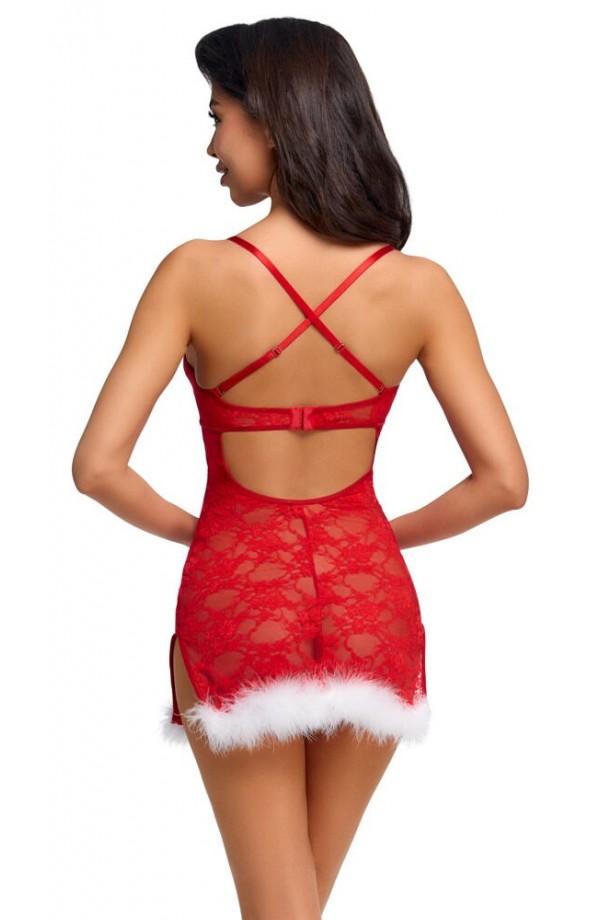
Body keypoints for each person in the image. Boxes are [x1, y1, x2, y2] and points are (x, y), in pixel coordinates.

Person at [72, 16, 528, 920]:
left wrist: (214, 534)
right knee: (299, 904)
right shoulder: (421, 287)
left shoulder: (194, 274)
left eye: (219, 118)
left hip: (241, 591)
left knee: (278, 909)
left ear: (272, 121)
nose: (211, 146)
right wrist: (374, 537)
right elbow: (505, 483)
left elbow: (98, 467)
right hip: (371, 596)